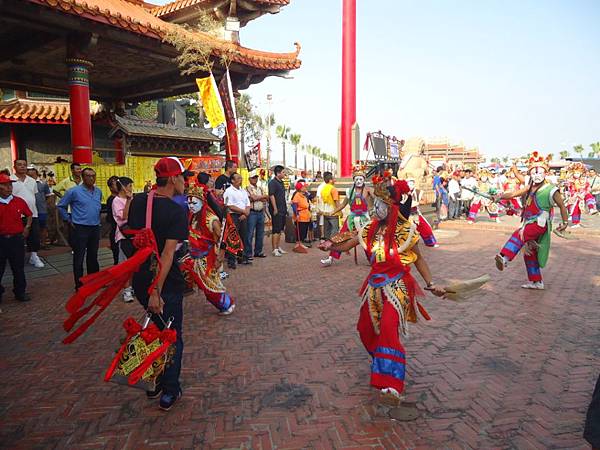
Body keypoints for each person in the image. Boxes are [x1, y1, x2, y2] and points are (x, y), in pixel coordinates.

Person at [318, 171, 449, 404]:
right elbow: (350, 242)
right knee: (365, 328)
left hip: (398, 285)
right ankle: (383, 360)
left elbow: (418, 259)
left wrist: (431, 284)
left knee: (388, 327)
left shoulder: (405, 230)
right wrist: (330, 246)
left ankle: (392, 384)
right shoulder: (370, 228)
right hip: (374, 285)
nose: (374, 206)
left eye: (379, 202)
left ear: (391, 205)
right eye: (374, 201)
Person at [127, 157, 189, 411]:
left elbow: (135, 240)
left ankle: (154, 380)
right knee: (171, 336)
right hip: (165, 284)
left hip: (141, 278)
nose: (185, 182)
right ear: (173, 178)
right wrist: (156, 291)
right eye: (183, 177)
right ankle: (169, 389)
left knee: (154, 330)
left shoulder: (138, 201)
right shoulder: (176, 211)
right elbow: (167, 254)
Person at [493, 152, 569, 290]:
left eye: (540, 172)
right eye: (534, 172)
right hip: (529, 222)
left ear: (546, 173)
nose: (537, 175)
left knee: (520, 234)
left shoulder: (551, 190)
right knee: (529, 252)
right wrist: (499, 196)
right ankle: (536, 281)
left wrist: (565, 222)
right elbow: (514, 193)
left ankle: (504, 257)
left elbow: (562, 206)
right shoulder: (530, 187)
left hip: (539, 224)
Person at [179, 184, 235, 315]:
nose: (191, 206)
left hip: (207, 259)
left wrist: (220, 258)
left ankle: (227, 304)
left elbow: (222, 240)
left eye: (194, 203)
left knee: (211, 288)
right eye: (188, 203)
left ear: (202, 202)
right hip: (193, 257)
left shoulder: (212, 220)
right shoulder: (193, 217)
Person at [57, 168, 102, 289]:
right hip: (80, 227)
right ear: (83, 177)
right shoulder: (74, 191)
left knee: (93, 255)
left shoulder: (98, 191)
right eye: (88, 176)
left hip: (95, 227)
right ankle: (79, 283)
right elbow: (61, 206)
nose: (91, 178)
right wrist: (67, 219)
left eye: (93, 176)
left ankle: (93, 280)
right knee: (79, 256)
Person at [321, 166, 373, 266]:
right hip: (351, 219)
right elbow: (343, 205)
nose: (358, 181)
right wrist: (334, 211)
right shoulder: (349, 192)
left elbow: (377, 199)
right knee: (340, 237)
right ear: (353, 180)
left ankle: (372, 259)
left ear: (364, 180)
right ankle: (331, 258)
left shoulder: (368, 190)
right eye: (356, 179)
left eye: (360, 179)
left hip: (364, 219)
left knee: (367, 239)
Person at [0, 173, 33, 304]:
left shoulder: (18, 201)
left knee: (18, 267)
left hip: (16, 240)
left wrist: (27, 227)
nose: (9, 188)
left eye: (10, 185)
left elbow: (29, 214)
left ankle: (20, 292)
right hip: (1, 240)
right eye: (5, 185)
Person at [11, 159, 43, 268]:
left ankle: (34, 256)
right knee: (17, 238)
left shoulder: (32, 181)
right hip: (16, 215)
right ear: (14, 166)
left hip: (32, 213)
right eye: (19, 165)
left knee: (34, 236)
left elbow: (33, 195)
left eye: (24, 165)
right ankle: (15, 258)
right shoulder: (10, 180)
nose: (22, 167)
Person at [111, 176, 135, 303]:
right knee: (125, 264)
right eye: (130, 186)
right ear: (124, 187)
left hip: (134, 235)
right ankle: (126, 290)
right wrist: (130, 200)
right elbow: (124, 216)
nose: (131, 189)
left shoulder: (130, 199)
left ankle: (133, 286)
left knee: (134, 263)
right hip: (124, 236)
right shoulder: (117, 201)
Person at [223, 173, 251, 266]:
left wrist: (245, 213)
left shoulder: (243, 191)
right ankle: (231, 260)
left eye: (240, 178)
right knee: (233, 238)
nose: (240, 179)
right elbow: (229, 205)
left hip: (243, 216)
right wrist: (243, 211)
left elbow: (247, 203)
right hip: (233, 216)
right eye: (238, 178)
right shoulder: (228, 191)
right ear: (232, 180)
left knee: (244, 237)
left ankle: (243, 257)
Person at [27, 165, 54, 249]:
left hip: (41, 210)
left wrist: (44, 204)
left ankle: (43, 243)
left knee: (43, 227)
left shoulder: (43, 183)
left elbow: (48, 195)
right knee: (31, 227)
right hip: (29, 209)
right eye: (28, 170)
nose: (30, 172)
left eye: (31, 170)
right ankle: (32, 245)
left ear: (35, 171)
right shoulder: (26, 183)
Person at [564, 162, 597, 228]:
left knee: (589, 196)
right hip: (574, 196)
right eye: (575, 173)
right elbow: (568, 188)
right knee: (575, 209)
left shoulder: (583, 179)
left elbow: (587, 187)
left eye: (578, 173)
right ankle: (576, 222)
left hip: (582, 194)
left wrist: (584, 191)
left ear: (581, 173)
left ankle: (591, 208)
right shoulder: (570, 180)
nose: (576, 174)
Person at [407, 178, 438, 247]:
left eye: (412, 183)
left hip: (415, 213)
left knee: (425, 228)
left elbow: (424, 201)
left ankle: (430, 243)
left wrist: (417, 202)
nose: (411, 185)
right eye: (409, 183)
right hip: (405, 214)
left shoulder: (417, 192)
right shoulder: (403, 192)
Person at [246, 169, 268, 258]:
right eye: (253, 178)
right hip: (252, 213)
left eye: (256, 177)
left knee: (260, 233)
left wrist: (256, 198)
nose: (255, 179)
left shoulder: (260, 188)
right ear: (249, 179)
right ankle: (248, 253)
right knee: (250, 233)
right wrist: (260, 197)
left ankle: (258, 251)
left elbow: (265, 198)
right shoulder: (247, 188)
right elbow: (253, 198)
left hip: (260, 212)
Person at [268, 165, 288, 257]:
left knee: (280, 229)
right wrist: (275, 208)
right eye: (283, 172)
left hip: (283, 208)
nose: (285, 174)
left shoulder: (281, 182)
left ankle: (278, 246)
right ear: (278, 173)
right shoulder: (272, 183)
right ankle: (274, 249)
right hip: (276, 210)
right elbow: (271, 196)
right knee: (276, 229)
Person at [320, 172, 341, 240]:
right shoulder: (333, 189)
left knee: (327, 230)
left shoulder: (323, 189)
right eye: (334, 179)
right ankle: (333, 244)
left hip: (325, 212)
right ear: (330, 180)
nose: (335, 180)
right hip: (333, 212)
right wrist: (340, 211)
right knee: (334, 230)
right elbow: (336, 201)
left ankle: (327, 243)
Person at [291, 180, 312, 250]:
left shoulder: (305, 195)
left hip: (306, 215)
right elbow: (294, 205)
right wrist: (296, 214)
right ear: (300, 188)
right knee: (300, 230)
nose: (305, 188)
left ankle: (301, 243)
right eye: (304, 187)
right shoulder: (297, 195)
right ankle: (298, 243)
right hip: (300, 216)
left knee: (304, 230)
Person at [105, 175, 120, 266]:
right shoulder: (112, 200)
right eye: (115, 184)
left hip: (119, 231)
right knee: (117, 256)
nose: (118, 186)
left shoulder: (120, 198)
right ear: (110, 187)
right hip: (116, 231)